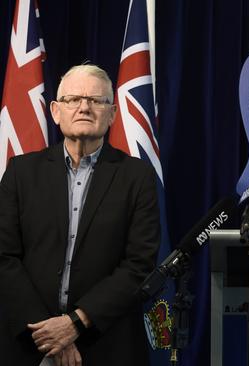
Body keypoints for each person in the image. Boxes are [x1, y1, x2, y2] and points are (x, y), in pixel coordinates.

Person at [0, 64, 160, 366]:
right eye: (74, 99)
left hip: (105, 344)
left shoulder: (137, 176)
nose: (85, 107)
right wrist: (50, 336)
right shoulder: (20, 172)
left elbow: (139, 264)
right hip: (27, 343)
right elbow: (4, 257)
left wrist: (74, 324)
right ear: (56, 111)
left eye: (96, 101)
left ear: (112, 113)